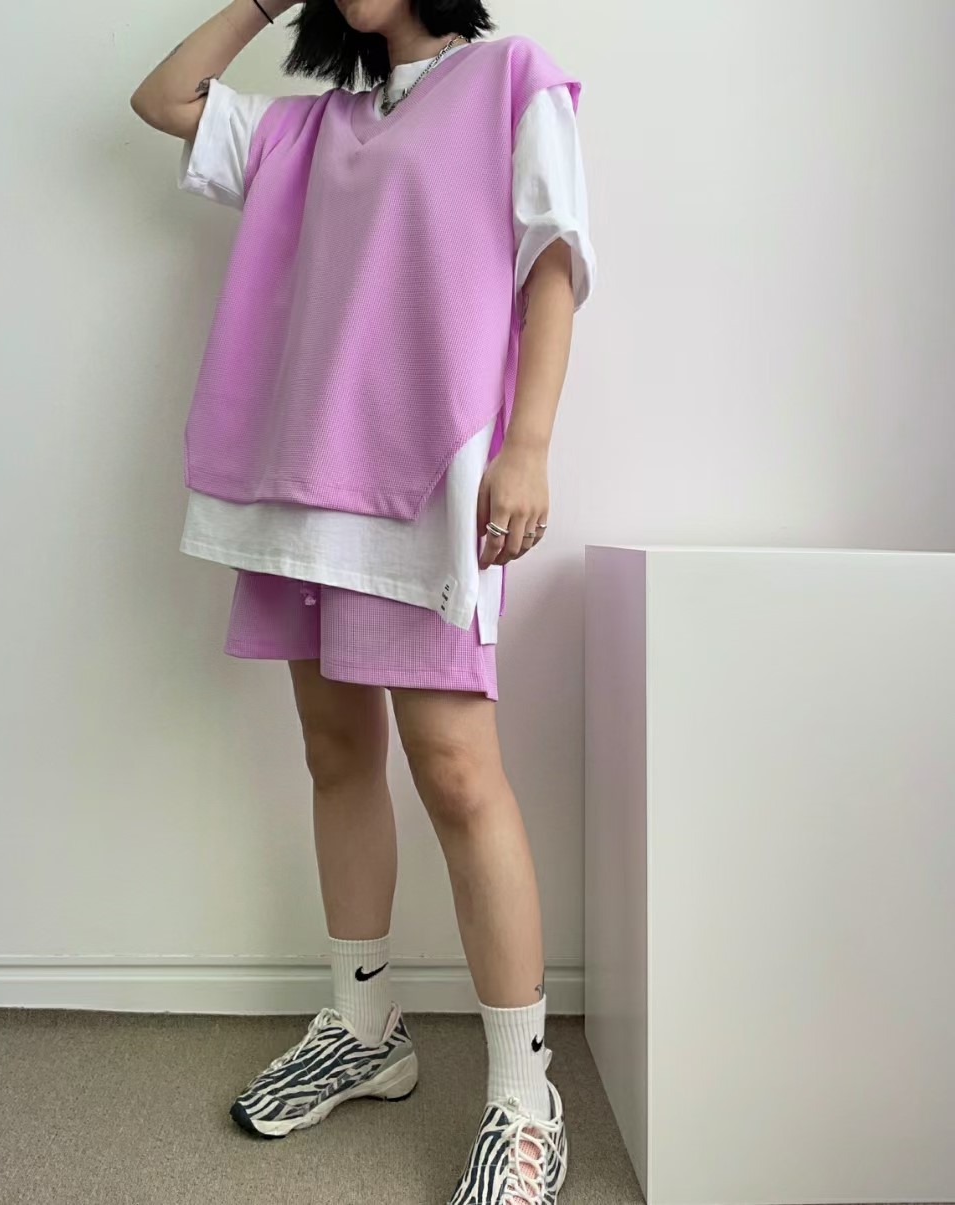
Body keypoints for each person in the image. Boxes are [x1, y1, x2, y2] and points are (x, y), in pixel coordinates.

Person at [131, 1, 594, 1200]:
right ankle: (365, 1024)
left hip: (426, 480)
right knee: (337, 751)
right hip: (300, 484)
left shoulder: (509, 78)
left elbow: (553, 260)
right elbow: (164, 100)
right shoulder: (309, 127)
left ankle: (524, 1092)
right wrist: (258, 4)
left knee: (457, 771)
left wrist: (530, 444)